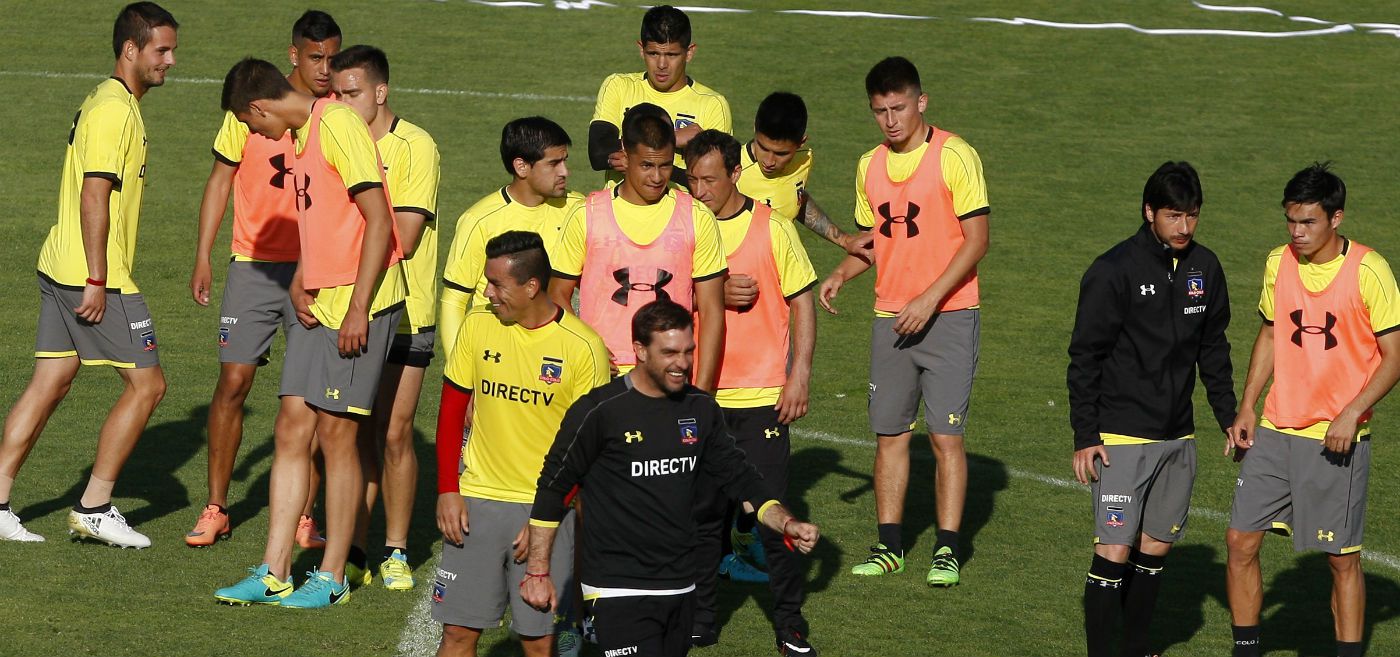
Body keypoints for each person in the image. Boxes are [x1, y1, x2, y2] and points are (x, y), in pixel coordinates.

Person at [520, 300, 820, 657]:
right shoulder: (599, 411)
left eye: (688, 351)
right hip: (617, 587)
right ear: (640, 350)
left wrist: (785, 522)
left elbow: (741, 479)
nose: (682, 363)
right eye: (670, 353)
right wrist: (538, 571)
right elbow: (553, 487)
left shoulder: (701, 409)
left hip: (681, 585)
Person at [213, 57, 406, 608]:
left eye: (251, 125)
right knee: (291, 427)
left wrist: (358, 309)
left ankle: (332, 575)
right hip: (321, 300)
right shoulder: (300, 137)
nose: (254, 135)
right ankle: (274, 569)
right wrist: (302, 278)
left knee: (336, 434)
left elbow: (379, 219)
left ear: (259, 107)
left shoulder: (337, 124)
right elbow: (322, 218)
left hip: (358, 303)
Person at [0, 2, 177, 547]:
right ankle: (94, 506)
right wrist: (99, 279)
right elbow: (94, 193)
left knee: (50, 381)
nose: (171, 61)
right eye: (161, 50)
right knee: (148, 385)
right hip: (91, 275)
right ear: (131, 49)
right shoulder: (114, 111)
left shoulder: (110, 101)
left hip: (59, 263)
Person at [818, 56, 989, 586]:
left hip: (950, 316)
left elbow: (977, 240)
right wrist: (842, 272)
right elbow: (877, 243)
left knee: (945, 438)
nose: (890, 120)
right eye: (879, 111)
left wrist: (930, 299)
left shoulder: (955, 156)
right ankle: (889, 545)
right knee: (889, 434)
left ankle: (947, 548)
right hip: (891, 318)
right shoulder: (868, 165)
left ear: (921, 102)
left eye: (898, 108)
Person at [1224, 163, 1400, 657]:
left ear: (1336, 218)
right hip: (1277, 429)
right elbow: (1272, 333)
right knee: (1240, 540)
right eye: (1291, 221)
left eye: (1308, 223)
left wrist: (1351, 413)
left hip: (1335, 438)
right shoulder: (1278, 263)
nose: (1297, 233)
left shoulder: (1370, 270)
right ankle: (1247, 649)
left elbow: (1395, 356)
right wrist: (1248, 406)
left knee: (1341, 560)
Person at [185, 8, 342, 550]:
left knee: (307, 399)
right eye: (316, 56)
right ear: (294, 53)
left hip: (315, 274)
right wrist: (204, 254)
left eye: (333, 58)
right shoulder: (249, 105)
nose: (325, 68)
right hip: (251, 265)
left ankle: (303, 514)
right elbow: (219, 180)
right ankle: (216, 507)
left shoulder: (335, 116)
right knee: (233, 384)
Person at [1067, 162, 1236, 657]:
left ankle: (1138, 647)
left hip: (1178, 438)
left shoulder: (1206, 268)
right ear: (1149, 213)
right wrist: (1086, 434)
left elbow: (1214, 350)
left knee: (1156, 549)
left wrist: (1227, 416)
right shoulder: (1113, 270)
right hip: (1120, 437)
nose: (1184, 227)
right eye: (1173, 215)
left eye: (1192, 216)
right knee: (1114, 550)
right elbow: (1085, 357)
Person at [431, 231, 611, 657]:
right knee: (457, 635)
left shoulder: (584, 349)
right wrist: (447, 489)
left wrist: (544, 520)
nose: (488, 293)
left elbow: (588, 454)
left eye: (497, 285)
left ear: (531, 286)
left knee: (539, 641)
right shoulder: (478, 326)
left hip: (544, 509)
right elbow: (451, 413)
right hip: (476, 503)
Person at [683, 131, 820, 654]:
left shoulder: (772, 229)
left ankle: (789, 624)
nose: (699, 190)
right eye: (692, 179)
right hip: (700, 398)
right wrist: (709, 295)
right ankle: (700, 619)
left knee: (772, 520)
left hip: (761, 397)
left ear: (736, 174)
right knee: (701, 519)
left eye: (710, 179)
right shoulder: (685, 228)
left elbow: (802, 301)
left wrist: (800, 373)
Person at [330, 44, 441, 591]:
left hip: (405, 308)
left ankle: (395, 550)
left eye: (351, 93)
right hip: (348, 307)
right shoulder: (333, 140)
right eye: (334, 94)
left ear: (380, 92)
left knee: (395, 433)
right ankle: (351, 544)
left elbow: (407, 234)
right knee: (352, 431)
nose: (341, 104)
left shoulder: (416, 147)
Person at [550, 103, 727, 391]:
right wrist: (588, 346)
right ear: (624, 156)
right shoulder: (587, 213)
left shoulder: (697, 217)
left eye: (665, 165)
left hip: (670, 378)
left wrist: (703, 392)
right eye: (647, 165)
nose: (657, 177)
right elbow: (557, 294)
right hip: (601, 377)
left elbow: (711, 310)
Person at [440, 117, 583, 355]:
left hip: (558, 355)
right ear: (521, 166)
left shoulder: (581, 209)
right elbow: (454, 301)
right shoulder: (479, 220)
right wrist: (459, 365)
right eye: (554, 163)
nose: (565, 172)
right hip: (497, 354)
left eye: (565, 161)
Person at [588, 5, 730, 188]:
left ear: (689, 52)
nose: (662, 64)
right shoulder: (618, 86)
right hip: (619, 212)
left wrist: (635, 162)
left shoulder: (712, 105)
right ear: (641, 49)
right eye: (653, 53)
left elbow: (714, 182)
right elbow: (598, 152)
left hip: (680, 214)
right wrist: (671, 138)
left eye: (671, 54)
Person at [736, 92, 870, 259]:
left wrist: (843, 239)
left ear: (801, 142)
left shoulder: (803, 159)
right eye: (763, 148)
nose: (769, 161)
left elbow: (796, 196)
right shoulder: (730, 170)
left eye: (781, 153)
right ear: (755, 129)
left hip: (787, 272)